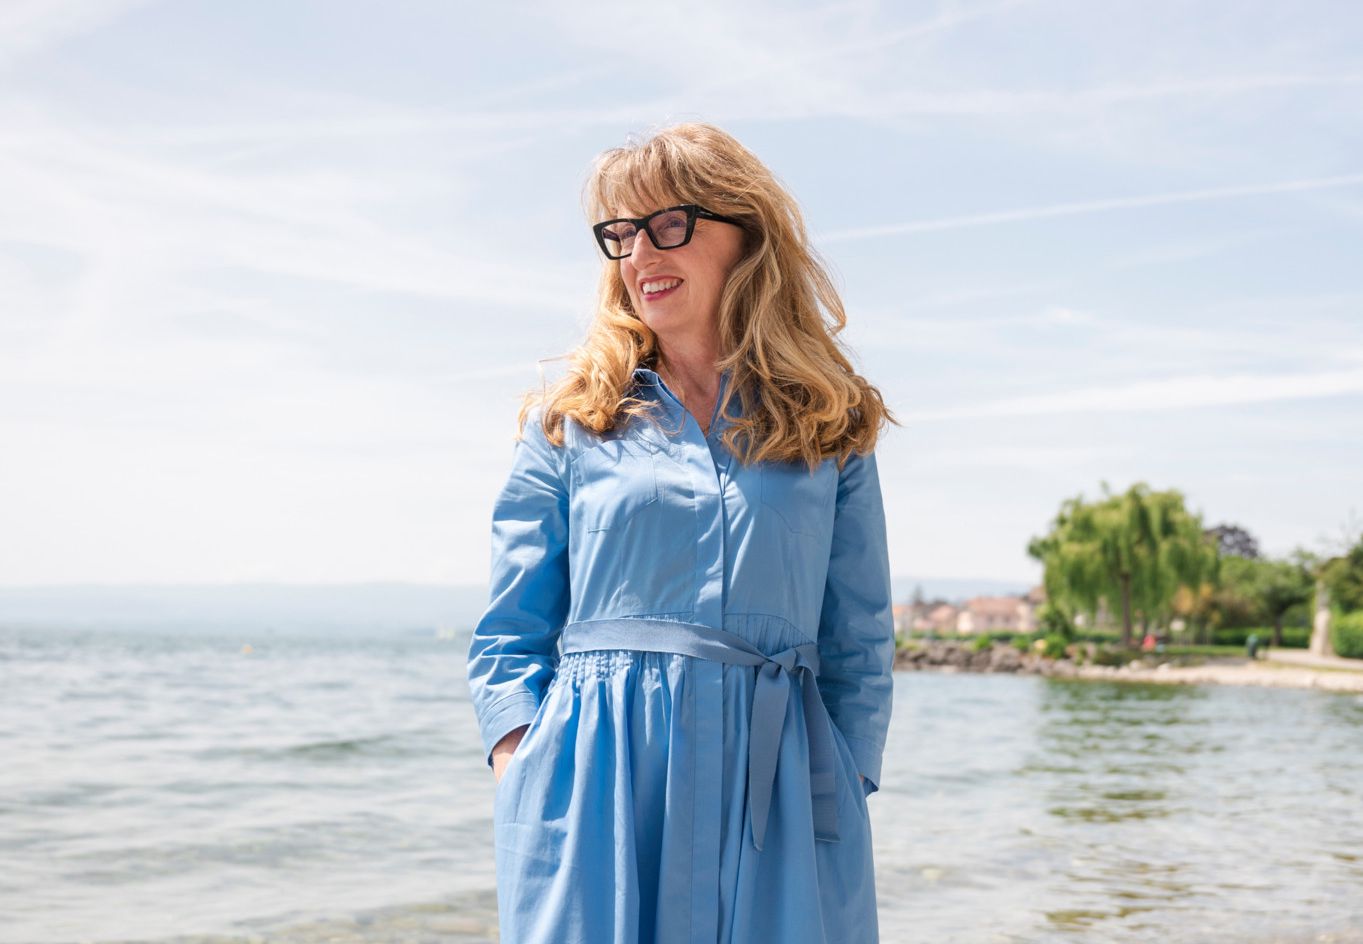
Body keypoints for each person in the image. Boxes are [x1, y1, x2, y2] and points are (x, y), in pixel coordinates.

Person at [466, 121, 901, 944]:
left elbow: (858, 635)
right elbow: (508, 633)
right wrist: (526, 769)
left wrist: (845, 776)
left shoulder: (829, 421)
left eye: (668, 225)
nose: (639, 256)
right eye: (621, 235)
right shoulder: (571, 422)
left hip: (781, 788)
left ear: (746, 237)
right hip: (595, 784)